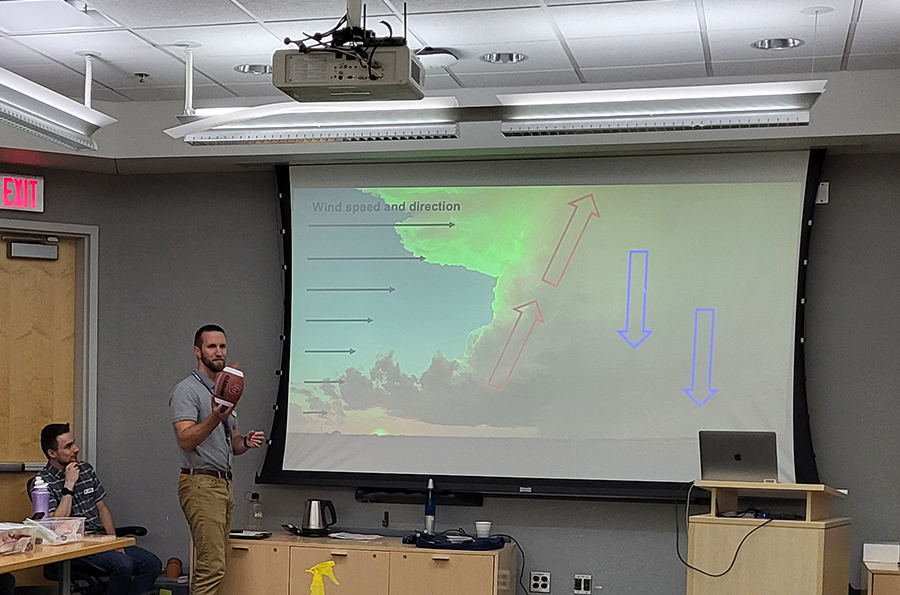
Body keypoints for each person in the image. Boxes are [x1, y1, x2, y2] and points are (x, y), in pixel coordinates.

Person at [170, 324, 265, 595]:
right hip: (200, 483)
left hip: (224, 485)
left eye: (222, 346)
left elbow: (231, 443)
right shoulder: (186, 391)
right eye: (212, 346)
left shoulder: (225, 390)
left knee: (218, 563)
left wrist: (245, 442)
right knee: (211, 566)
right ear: (197, 351)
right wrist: (215, 416)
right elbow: (185, 439)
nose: (219, 352)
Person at [37, 423, 162, 595]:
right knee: (122, 565)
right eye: (68, 447)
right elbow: (56, 524)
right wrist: (69, 485)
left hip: (99, 540)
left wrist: (113, 541)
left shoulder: (86, 470)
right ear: (52, 453)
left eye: (74, 443)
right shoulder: (42, 483)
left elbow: (102, 509)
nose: (76, 449)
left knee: (152, 563)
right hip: (72, 546)